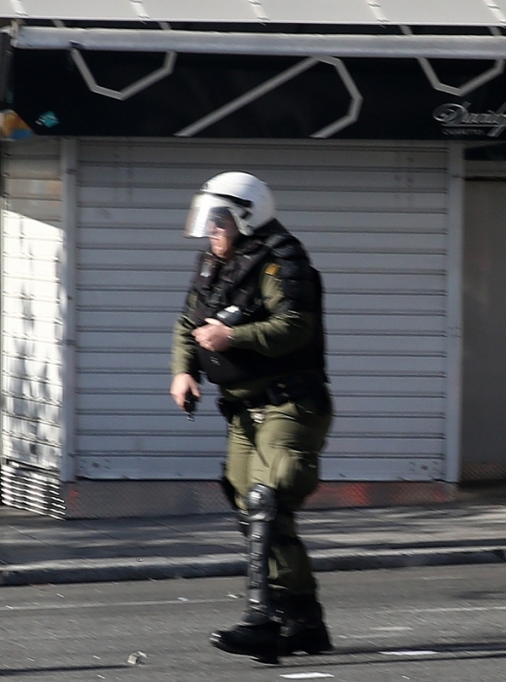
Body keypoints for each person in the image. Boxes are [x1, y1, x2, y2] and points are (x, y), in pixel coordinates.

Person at [169, 172, 334, 665]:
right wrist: (183, 372)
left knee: (268, 498)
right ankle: (304, 619)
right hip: (244, 412)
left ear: (245, 217)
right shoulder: (214, 265)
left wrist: (233, 338)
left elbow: (295, 326)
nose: (211, 232)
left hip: (291, 403)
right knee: (254, 513)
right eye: (209, 222)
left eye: (218, 222)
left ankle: (262, 621)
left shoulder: (284, 262)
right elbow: (186, 324)